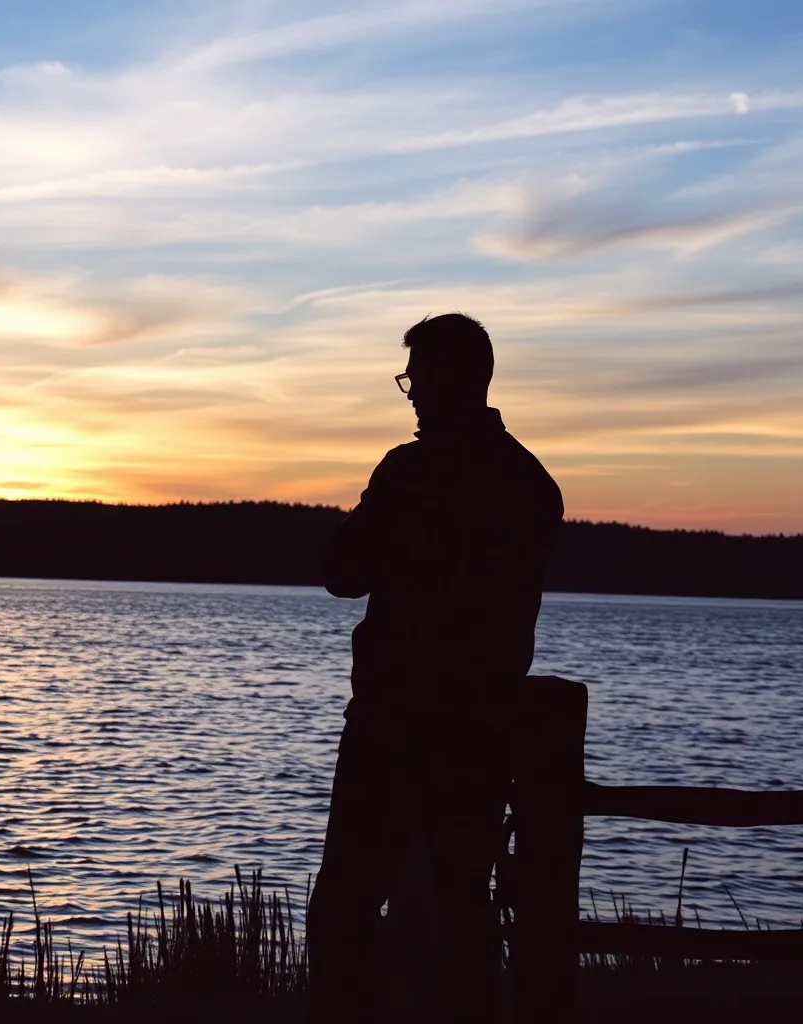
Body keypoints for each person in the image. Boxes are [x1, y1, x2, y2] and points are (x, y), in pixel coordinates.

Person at [306, 313, 564, 1022]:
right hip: (481, 728)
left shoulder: (409, 472)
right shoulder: (530, 483)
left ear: (454, 378)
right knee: (461, 903)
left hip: (393, 723)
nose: (412, 393)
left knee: (349, 901)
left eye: (417, 377)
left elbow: (341, 573)